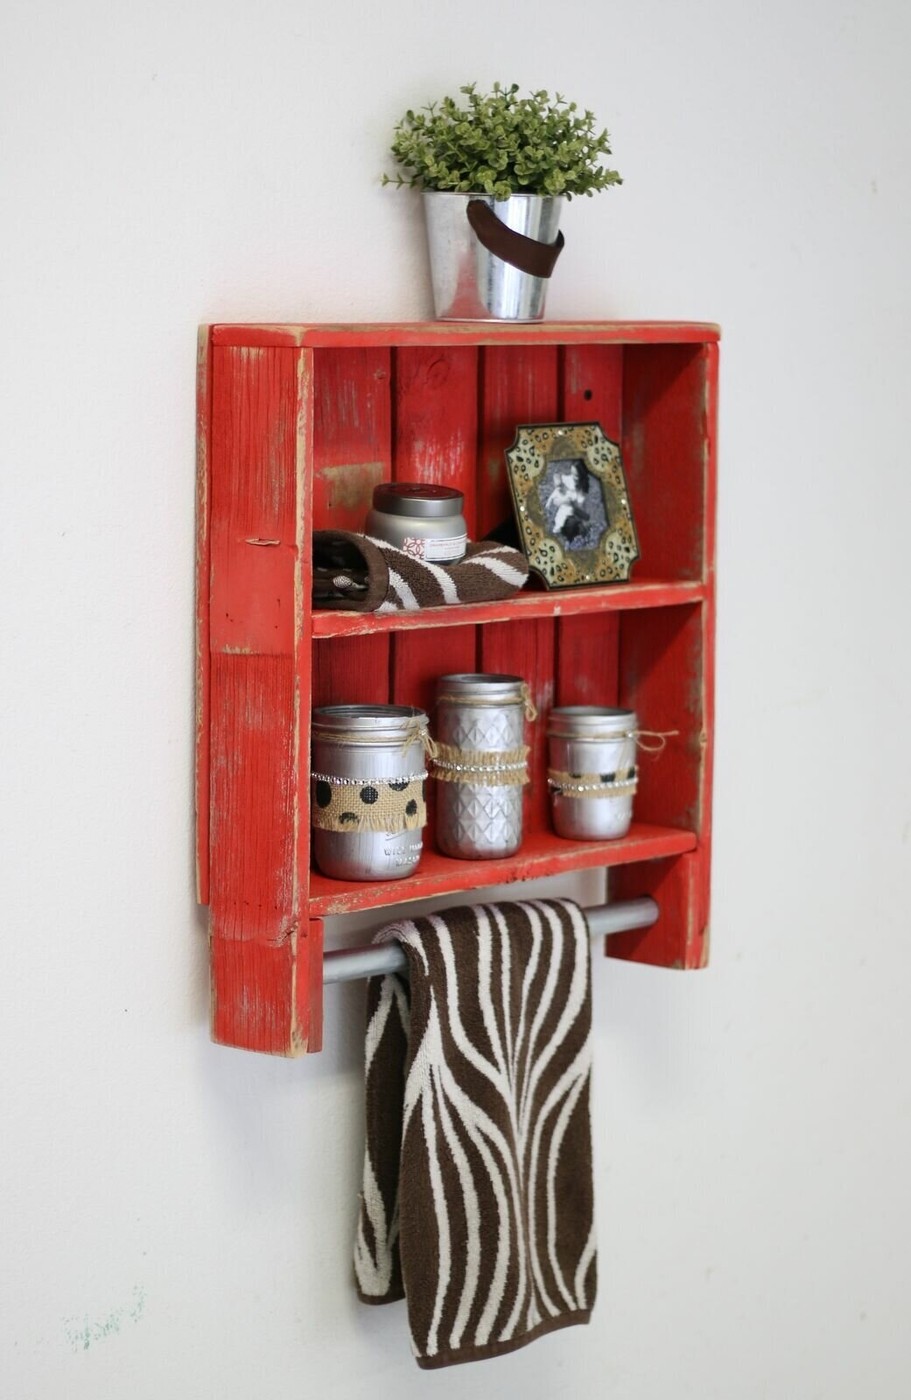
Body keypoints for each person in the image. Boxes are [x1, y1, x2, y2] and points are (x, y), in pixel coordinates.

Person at [545, 459, 592, 545]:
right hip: (567, 510)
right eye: (572, 474)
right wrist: (558, 485)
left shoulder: (584, 492)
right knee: (561, 522)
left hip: (576, 514)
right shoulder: (569, 479)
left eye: (576, 476)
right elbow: (557, 476)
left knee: (576, 525)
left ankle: (574, 533)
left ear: (583, 475)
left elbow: (585, 515)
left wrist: (571, 504)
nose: (573, 478)